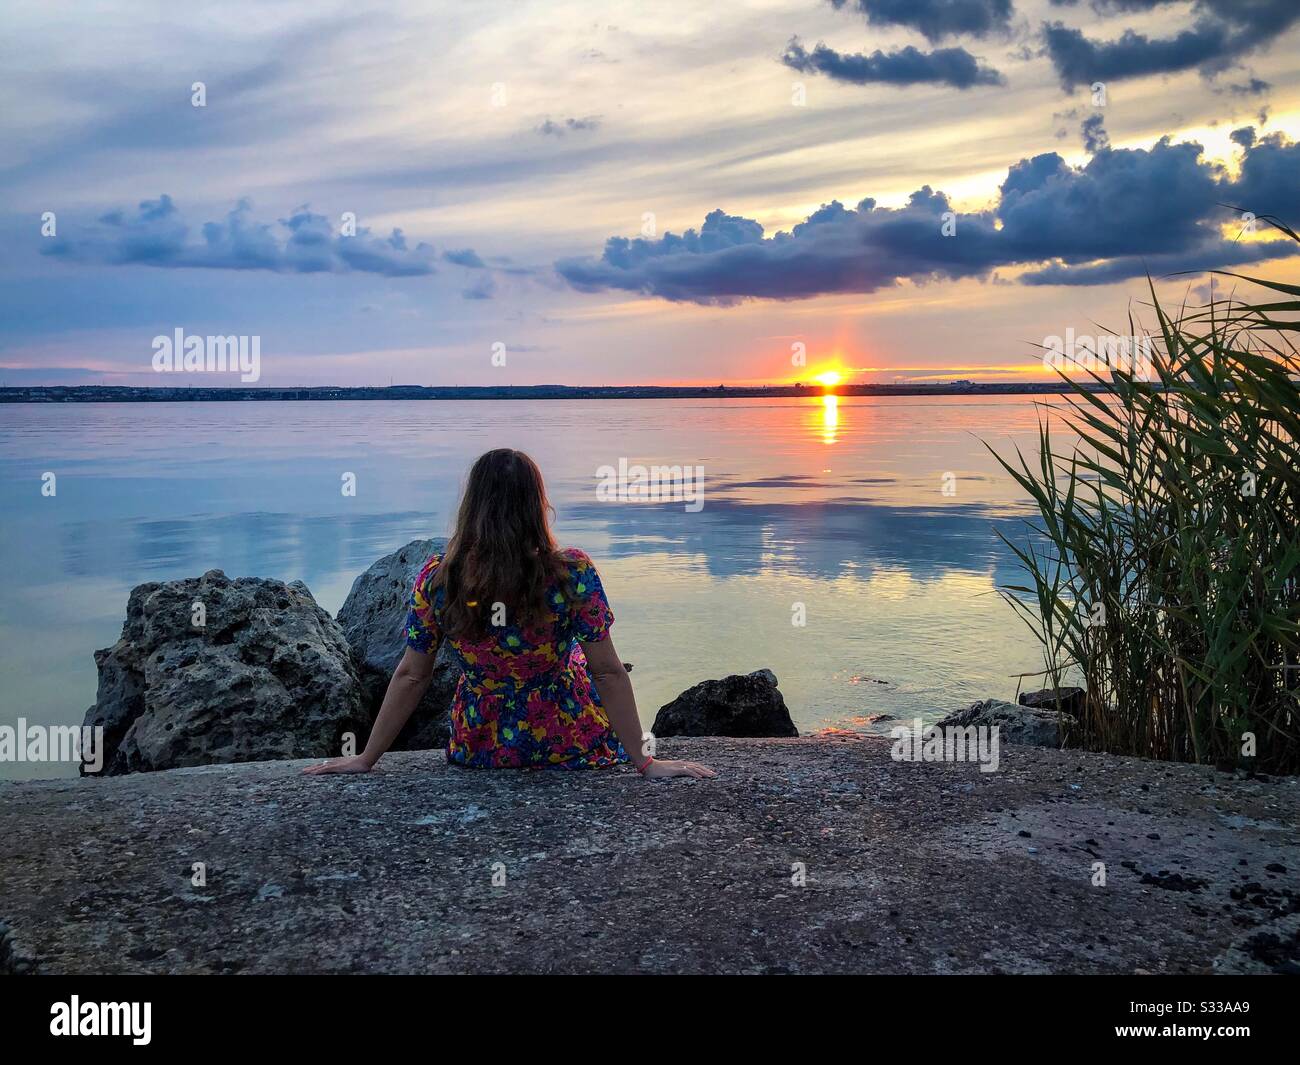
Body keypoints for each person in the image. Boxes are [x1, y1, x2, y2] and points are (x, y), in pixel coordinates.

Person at [304, 448, 716, 780]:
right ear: (537, 503)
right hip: (569, 740)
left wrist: (365, 758)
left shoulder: (439, 578)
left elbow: (413, 674)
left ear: (472, 505)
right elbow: (607, 671)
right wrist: (645, 762)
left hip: (481, 745)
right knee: (571, 658)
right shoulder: (571, 574)